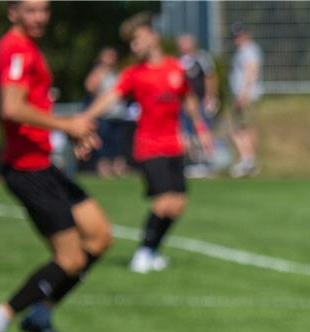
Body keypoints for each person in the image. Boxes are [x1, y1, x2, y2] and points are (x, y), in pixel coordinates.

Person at [0, 0, 112, 332]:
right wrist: (68, 125)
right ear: (13, 13)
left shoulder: (27, 48)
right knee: (70, 259)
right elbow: (11, 107)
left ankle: (40, 315)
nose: (39, 17)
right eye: (31, 10)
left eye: (44, 10)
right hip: (28, 170)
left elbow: (32, 108)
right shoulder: (15, 49)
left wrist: (69, 134)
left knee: (99, 235)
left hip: (43, 164)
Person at [82, 14, 214, 274]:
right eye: (131, 42)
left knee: (178, 204)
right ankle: (143, 252)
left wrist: (200, 129)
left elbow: (188, 100)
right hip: (149, 146)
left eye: (137, 39)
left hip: (174, 145)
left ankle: (153, 251)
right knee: (164, 202)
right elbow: (110, 97)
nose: (134, 46)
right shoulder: (134, 74)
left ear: (153, 36)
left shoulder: (175, 68)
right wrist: (84, 118)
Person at [176, 33, 219, 176]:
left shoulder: (201, 58)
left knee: (202, 130)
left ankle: (207, 161)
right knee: (187, 134)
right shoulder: (178, 61)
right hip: (184, 104)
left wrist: (210, 96)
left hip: (199, 102)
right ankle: (192, 161)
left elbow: (210, 77)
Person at [83, 47, 127, 178]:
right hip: (104, 115)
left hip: (118, 114)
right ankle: (104, 169)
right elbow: (89, 87)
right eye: (109, 56)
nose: (112, 58)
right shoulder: (98, 73)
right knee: (104, 144)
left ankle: (118, 169)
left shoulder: (116, 73)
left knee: (118, 144)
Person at [227, 22, 261, 178]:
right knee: (240, 128)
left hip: (246, 95)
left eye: (239, 35)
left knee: (242, 128)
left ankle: (248, 160)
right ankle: (248, 160)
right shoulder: (242, 51)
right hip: (241, 95)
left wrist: (244, 94)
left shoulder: (249, 50)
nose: (236, 39)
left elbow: (251, 72)